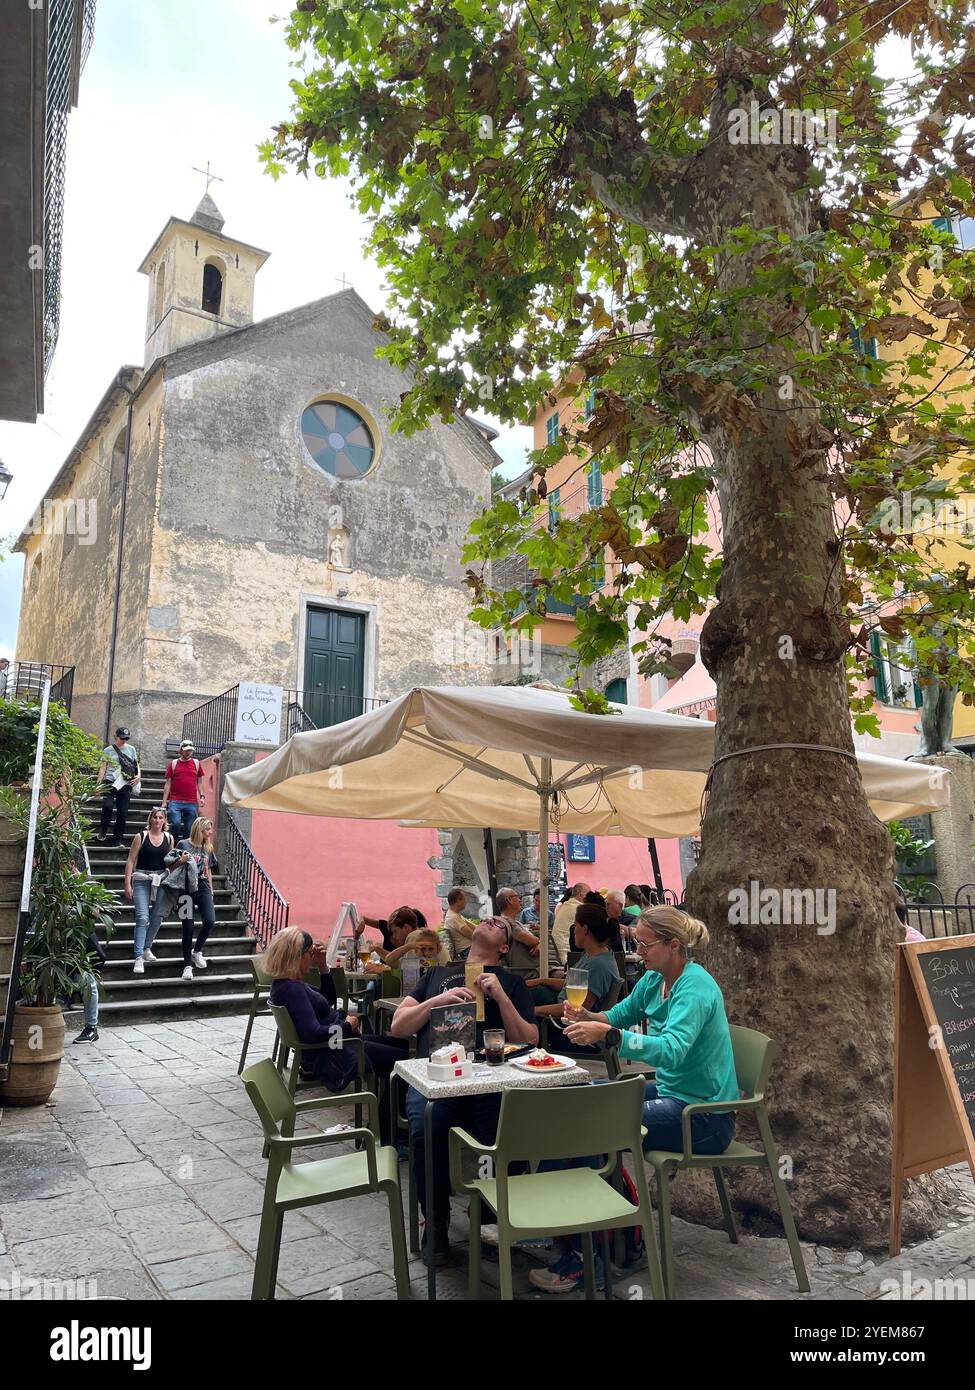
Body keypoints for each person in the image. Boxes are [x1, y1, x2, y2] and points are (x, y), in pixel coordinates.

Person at [531, 907, 738, 1294]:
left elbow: (673, 1050)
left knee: (595, 1127)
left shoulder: (695, 987)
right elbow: (620, 1015)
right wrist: (590, 1016)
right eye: (635, 942)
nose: (637, 951)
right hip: (676, 1095)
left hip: (705, 1117)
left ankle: (583, 1255)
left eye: (644, 944)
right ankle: (559, 1226)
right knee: (575, 1107)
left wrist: (609, 1036)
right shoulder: (653, 979)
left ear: (674, 945)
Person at [390, 918, 538, 1265]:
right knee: (428, 1126)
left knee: (504, 1127)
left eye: (501, 924)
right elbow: (399, 1026)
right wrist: (435, 1002)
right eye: (489, 917)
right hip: (438, 1079)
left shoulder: (513, 982)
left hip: (491, 1081)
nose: (490, 919)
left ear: (504, 947)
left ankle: (492, 1219)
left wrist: (501, 998)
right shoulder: (438, 975)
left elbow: (530, 1039)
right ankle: (437, 1223)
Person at [265, 927, 403, 1137]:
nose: (311, 958)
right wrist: (347, 1026)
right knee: (405, 1062)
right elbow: (312, 1032)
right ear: (297, 955)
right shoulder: (292, 989)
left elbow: (326, 1000)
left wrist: (322, 967)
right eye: (310, 954)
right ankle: (389, 1131)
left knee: (401, 1044)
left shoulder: (286, 984)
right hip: (337, 1052)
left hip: (337, 1045)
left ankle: (390, 1121)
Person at [532, 903, 621, 1021]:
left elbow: (577, 1010)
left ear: (585, 929)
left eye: (575, 925)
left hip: (561, 1024)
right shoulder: (593, 955)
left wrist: (535, 1010)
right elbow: (573, 986)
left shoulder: (598, 966)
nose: (573, 931)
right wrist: (542, 981)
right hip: (559, 1006)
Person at [161, 816, 218, 981]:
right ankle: (187, 966)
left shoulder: (207, 847)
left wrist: (212, 891)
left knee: (210, 920)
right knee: (187, 927)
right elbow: (169, 866)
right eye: (208, 829)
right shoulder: (183, 845)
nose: (210, 832)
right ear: (199, 830)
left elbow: (208, 871)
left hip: (203, 888)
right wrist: (181, 860)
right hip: (184, 890)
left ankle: (197, 951)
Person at [124, 808, 174, 974]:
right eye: (155, 817)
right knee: (142, 917)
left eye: (161, 818)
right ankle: (138, 956)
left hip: (161, 879)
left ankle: (147, 947)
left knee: (158, 916)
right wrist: (127, 883)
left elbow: (170, 862)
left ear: (164, 820)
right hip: (141, 878)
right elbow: (131, 861)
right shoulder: (141, 836)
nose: (158, 820)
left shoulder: (169, 838)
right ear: (150, 819)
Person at [96, 727, 141, 845]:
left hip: (124, 782)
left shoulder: (131, 749)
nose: (124, 740)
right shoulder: (108, 750)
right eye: (122, 738)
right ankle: (104, 828)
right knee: (108, 806)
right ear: (116, 736)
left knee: (122, 812)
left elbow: (136, 764)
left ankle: (117, 839)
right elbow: (103, 768)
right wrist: (98, 785)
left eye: (126, 738)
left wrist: (138, 776)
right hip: (110, 781)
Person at [162, 740, 205, 842]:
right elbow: (168, 783)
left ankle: (184, 850)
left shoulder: (196, 763)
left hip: (191, 802)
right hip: (175, 801)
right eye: (186, 750)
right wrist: (164, 802)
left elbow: (199, 782)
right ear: (180, 751)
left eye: (190, 750)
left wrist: (202, 796)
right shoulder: (173, 764)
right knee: (175, 824)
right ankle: (172, 845)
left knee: (189, 829)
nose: (188, 752)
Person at [552, 882, 591, 962]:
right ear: (580, 895)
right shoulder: (579, 909)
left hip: (557, 951)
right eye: (589, 895)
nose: (590, 898)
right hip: (567, 954)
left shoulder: (566, 905)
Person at [442, 887, 475, 959]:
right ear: (458, 900)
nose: (466, 901)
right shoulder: (453, 917)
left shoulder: (456, 914)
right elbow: (471, 935)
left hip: (471, 948)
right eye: (464, 899)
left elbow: (473, 926)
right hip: (468, 951)